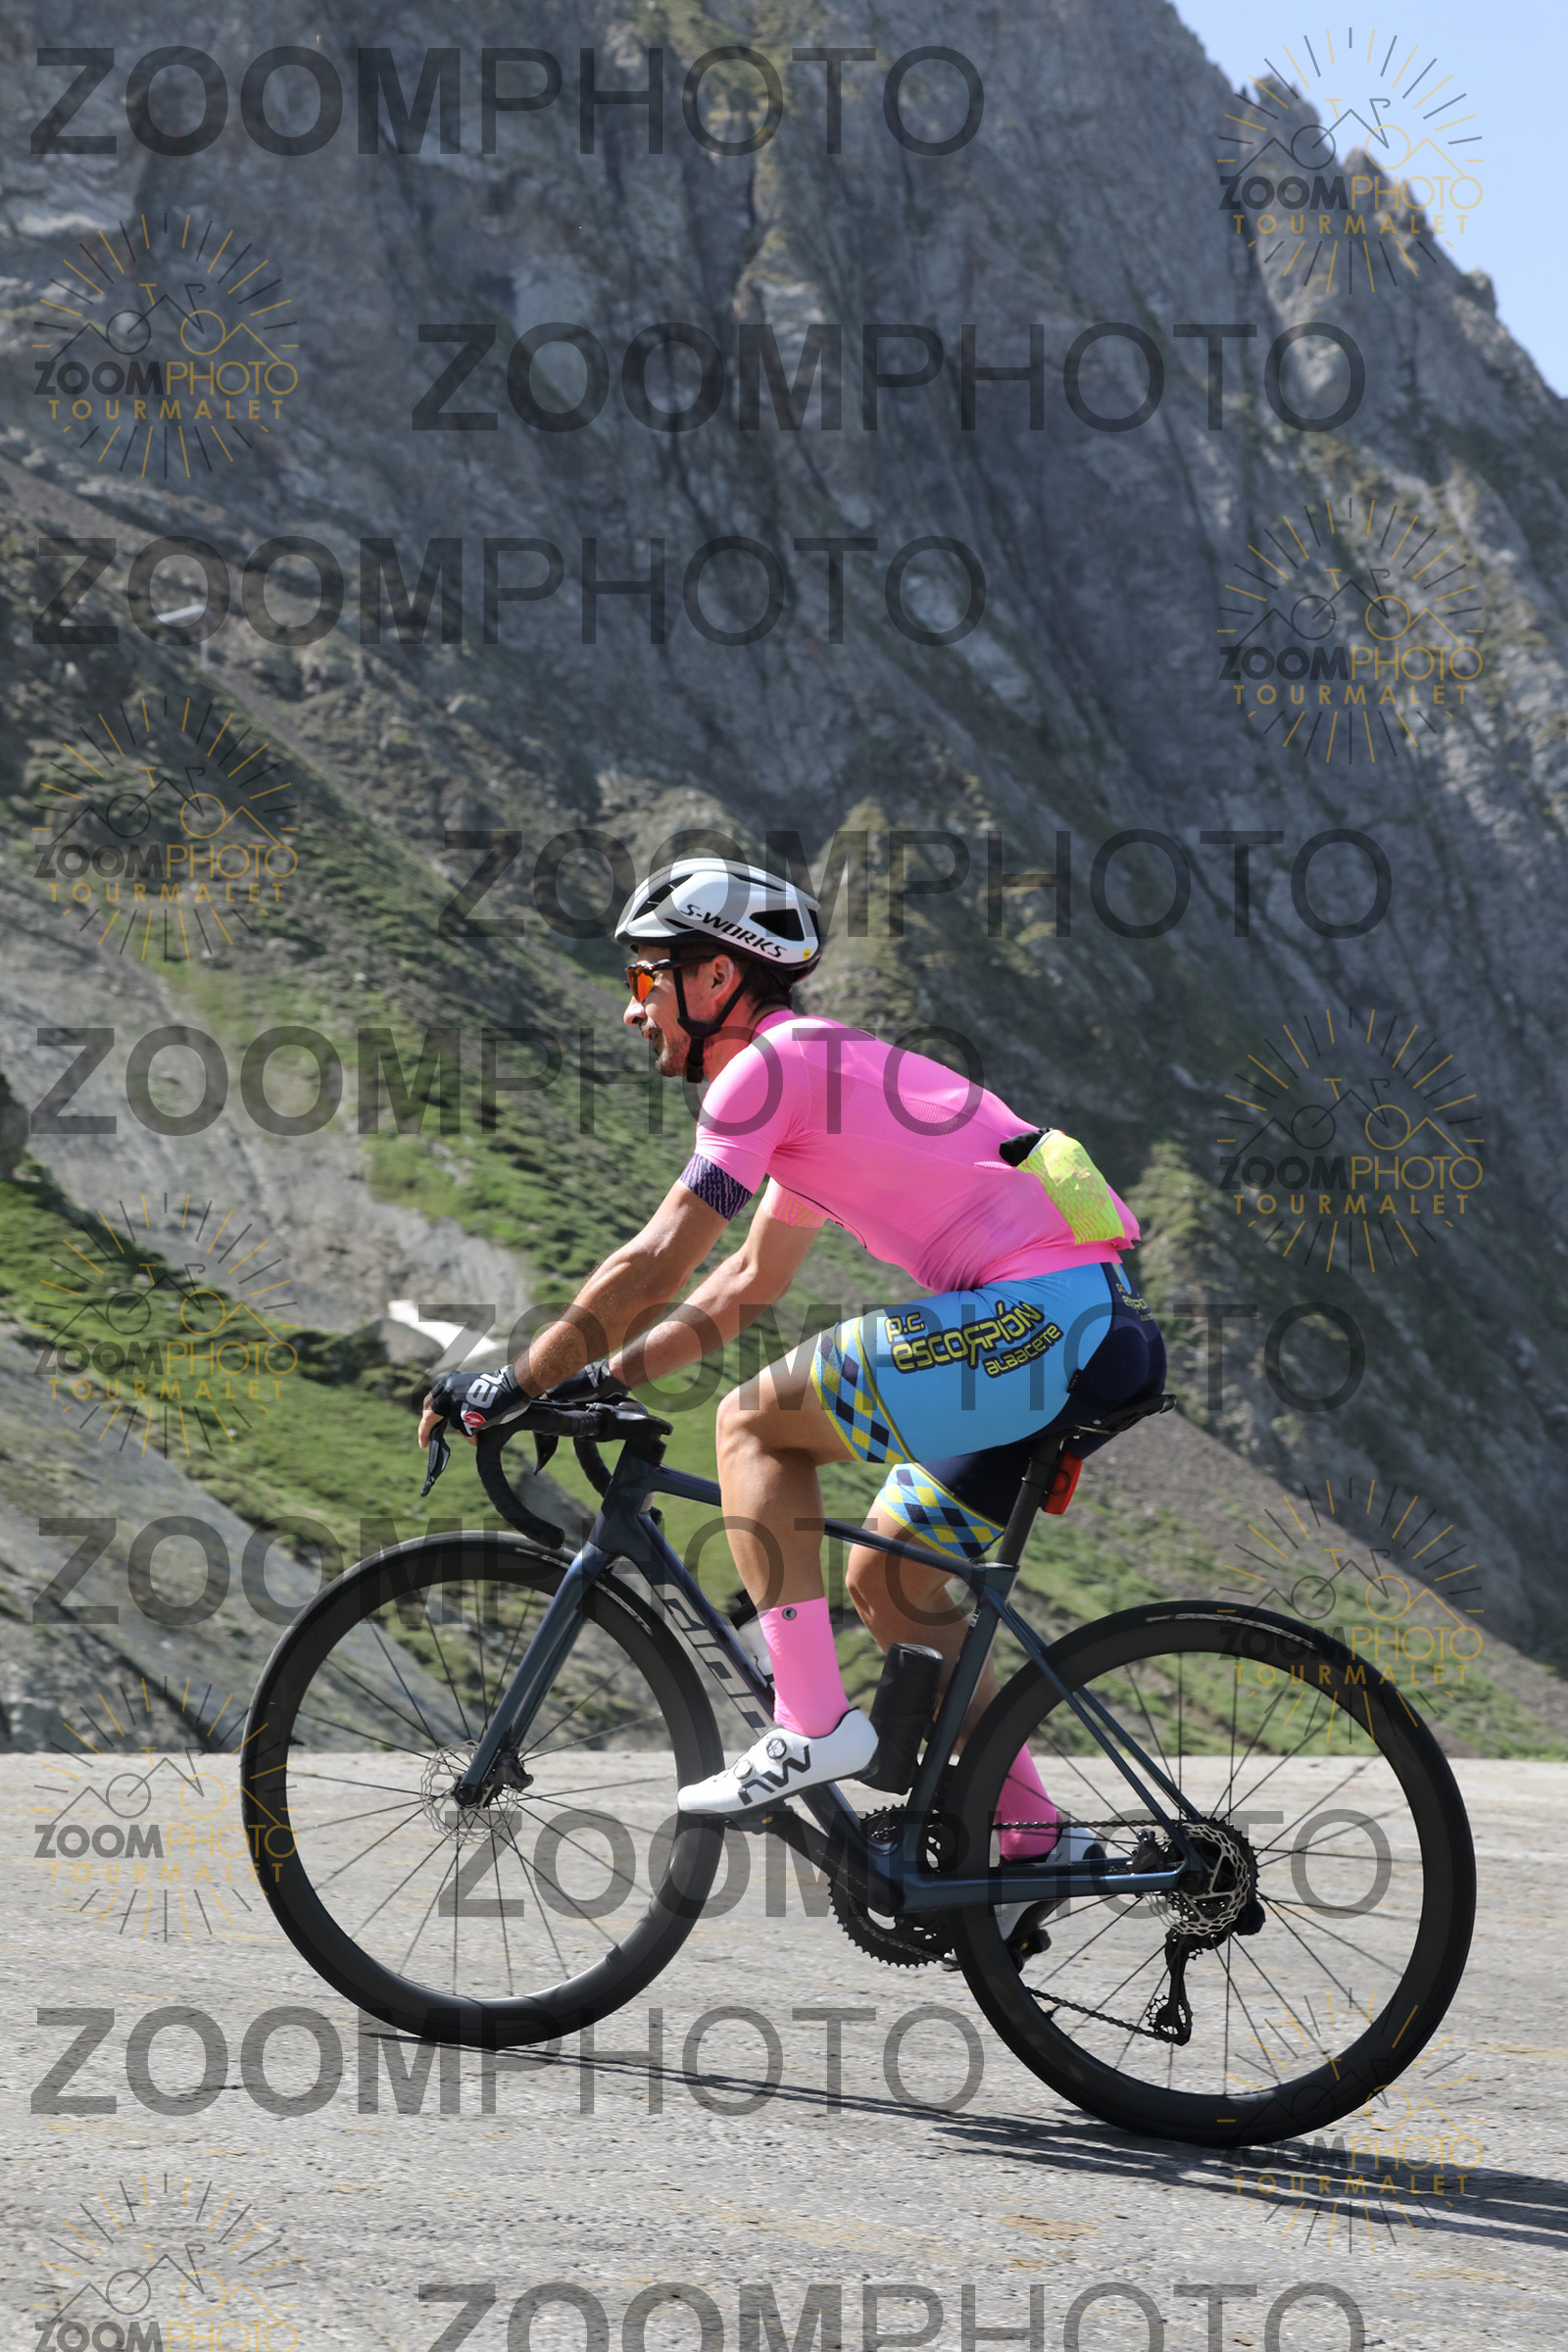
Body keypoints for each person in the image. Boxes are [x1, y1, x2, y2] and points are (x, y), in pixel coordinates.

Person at [419, 857, 1164, 1865]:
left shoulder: (766, 1073)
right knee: (889, 1583)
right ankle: (1031, 1836)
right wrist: (603, 1379)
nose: (632, 1008)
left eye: (645, 977)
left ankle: (811, 1725)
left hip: (1043, 1319)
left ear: (716, 977)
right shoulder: (819, 1081)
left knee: (752, 1424)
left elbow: (658, 1259)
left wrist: (513, 1385)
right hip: (1088, 1325)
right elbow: (742, 1286)